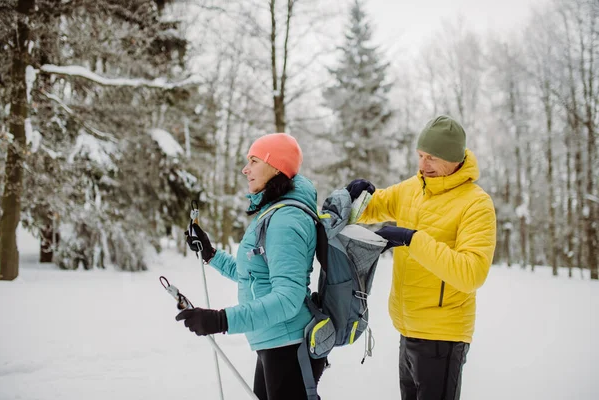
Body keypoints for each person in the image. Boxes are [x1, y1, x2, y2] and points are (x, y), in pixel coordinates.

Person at [347, 115, 496, 400]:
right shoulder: (412, 189)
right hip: (408, 328)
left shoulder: (476, 204)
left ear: (454, 159)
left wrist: (412, 238)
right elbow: (370, 208)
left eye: (432, 158)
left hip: (443, 336)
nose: (423, 165)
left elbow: (471, 273)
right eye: (420, 155)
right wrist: (354, 196)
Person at [177, 133, 327, 400]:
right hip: (276, 342)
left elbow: (288, 299)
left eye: (254, 160)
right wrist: (211, 254)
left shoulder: (286, 220)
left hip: (289, 346)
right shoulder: (274, 212)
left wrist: (221, 319)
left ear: (276, 166)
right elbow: (254, 275)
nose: (246, 169)